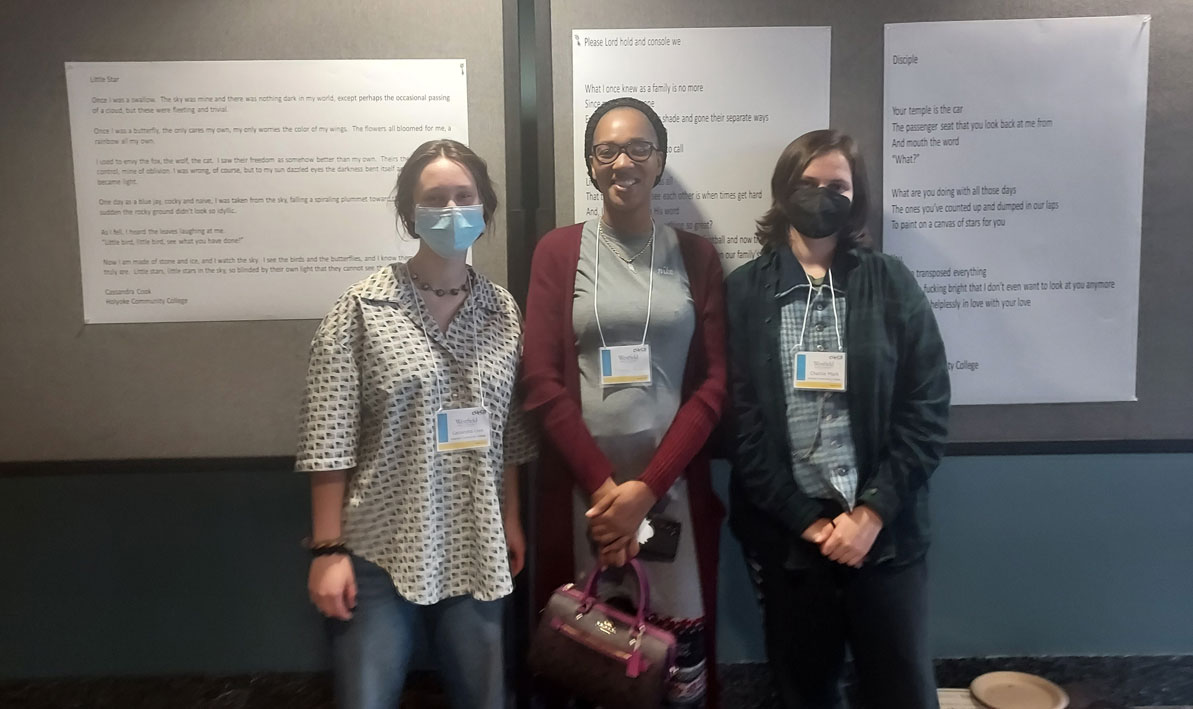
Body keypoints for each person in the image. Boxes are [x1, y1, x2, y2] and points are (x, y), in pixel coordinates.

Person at [295, 139, 536, 709]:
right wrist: (327, 551)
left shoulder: (503, 310)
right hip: (382, 545)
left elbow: (509, 434)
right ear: (409, 213)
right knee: (365, 699)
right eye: (434, 199)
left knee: (485, 699)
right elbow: (327, 439)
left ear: (484, 209)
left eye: (464, 196)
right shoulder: (360, 309)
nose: (451, 210)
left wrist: (512, 520)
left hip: (476, 540)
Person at [725, 129, 950, 709]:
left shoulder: (891, 282)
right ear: (783, 191)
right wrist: (808, 521)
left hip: (885, 535)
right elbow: (742, 423)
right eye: (808, 184)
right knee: (805, 692)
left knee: (902, 692)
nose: (822, 196)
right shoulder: (745, 292)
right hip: (793, 540)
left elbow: (925, 410)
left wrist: (872, 513)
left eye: (838, 187)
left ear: (857, 199)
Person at [521, 97, 728, 707]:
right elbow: (540, 379)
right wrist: (607, 492)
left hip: (673, 498)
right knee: (588, 658)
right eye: (606, 150)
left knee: (674, 673)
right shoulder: (558, 251)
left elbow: (714, 384)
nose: (623, 162)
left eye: (639, 148)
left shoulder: (697, 255)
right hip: (586, 501)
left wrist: (643, 490)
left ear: (660, 160)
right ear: (590, 163)